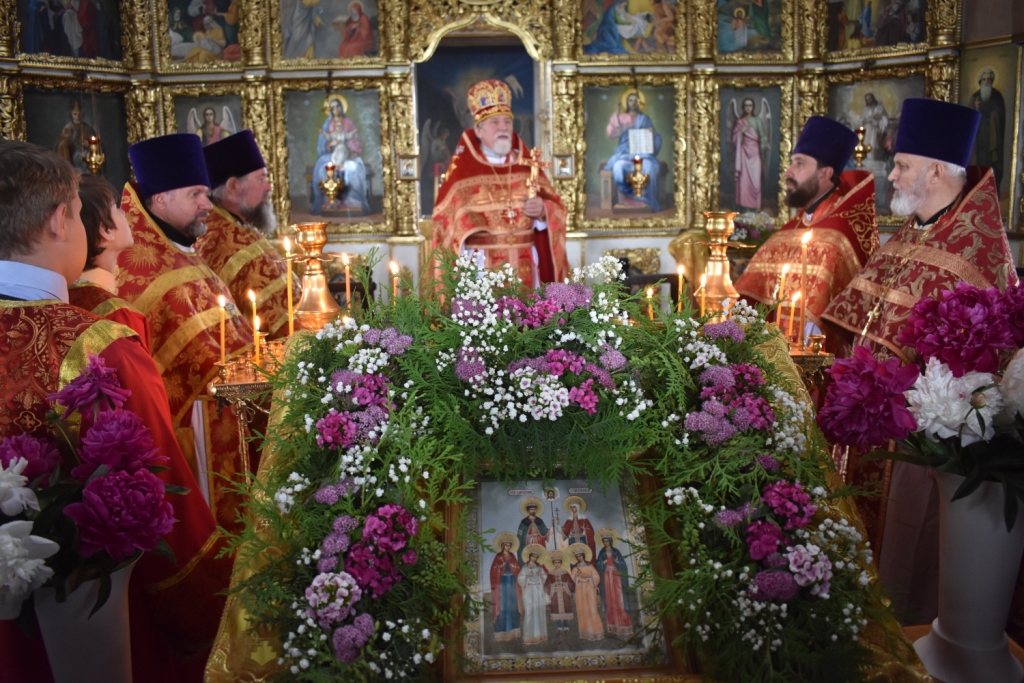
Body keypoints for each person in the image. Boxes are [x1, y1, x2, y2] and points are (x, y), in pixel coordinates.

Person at [0, 140, 231, 683]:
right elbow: (165, 509)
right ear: (60, 220)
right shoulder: (100, 351)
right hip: (80, 635)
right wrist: (215, 606)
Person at [822, 98, 1018, 625]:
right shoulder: (912, 231)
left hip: (918, 446)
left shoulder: (978, 249)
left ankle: (904, 634)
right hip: (867, 430)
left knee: (906, 558)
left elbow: (988, 364)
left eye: (902, 164)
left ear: (935, 171)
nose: (891, 174)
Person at [117, 133, 254, 530]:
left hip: (233, 408)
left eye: (205, 193)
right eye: (195, 194)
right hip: (192, 432)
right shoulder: (139, 266)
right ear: (159, 199)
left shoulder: (183, 250)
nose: (207, 204)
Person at [735, 116, 877, 344]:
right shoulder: (792, 228)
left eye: (799, 163)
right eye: (792, 162)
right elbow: (750, 296)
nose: (788, 172)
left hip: (819, 356)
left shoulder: (841, 232)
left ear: (825, 173)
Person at [431, 79, 569, 288]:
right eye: (494, 122)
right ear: (478, 130)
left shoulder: (527, 166)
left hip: (526, 263)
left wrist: (543, 210)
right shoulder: (463, 172)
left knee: (531, 309)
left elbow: (558, 209)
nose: (503, 127)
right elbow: (444, 224)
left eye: (507, 122)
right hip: (482, 267)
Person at [198, 130, 298, 341]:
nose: (269, 187)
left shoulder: (241, 227)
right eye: (261, 178)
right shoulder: (218, 238)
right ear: (234, 186)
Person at [68, 174, 151, 349]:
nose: (123, 212)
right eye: (116, 208)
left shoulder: (65, 296)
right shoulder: (118, 314)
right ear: (106, 230)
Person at [605, 88, 662, 212]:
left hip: (643, 153)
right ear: (627, 102)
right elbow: (612, 132)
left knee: (649, 167)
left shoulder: (644, 119)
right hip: (624, 153)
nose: (633, 103)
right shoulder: (621, 117)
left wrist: (652, 133)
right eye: (630, 100)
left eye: (636, 100)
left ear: (639, 103)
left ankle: (645, 199)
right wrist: (617, 114)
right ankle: (627, 197)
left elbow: (654, 137)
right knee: (618, 167)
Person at [311, 96, 369, 214]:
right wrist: (331, 145)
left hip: (348, 154)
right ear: (330, 110)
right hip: (332, 154)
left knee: (354, 169)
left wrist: (353, 151)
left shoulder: (348, 122)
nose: (336, 109)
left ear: (342, 107)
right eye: (333, 107)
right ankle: (330, 201)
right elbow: (323, 143)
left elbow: (354, 139)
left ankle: (352, 201)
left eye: (338, 106)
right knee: (323, 169)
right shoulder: (327, 124)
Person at [969, 68, 1007, 189]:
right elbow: (968, 118)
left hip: (992, 141)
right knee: (978, 169)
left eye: (989, 80)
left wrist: (988, 109)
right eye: (984, 80)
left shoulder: (997, 97)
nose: (986, 82)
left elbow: (1000, 115)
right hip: (978, 140)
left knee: (992, 170)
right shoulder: (975, 97)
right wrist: (976, 108)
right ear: (980, 82)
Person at [732, 97, 769, 211]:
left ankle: (755, 207)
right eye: (746, 105)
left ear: (753, 107)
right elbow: (734, 139)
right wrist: (741, 132)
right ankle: (744, 208)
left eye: (750, 105)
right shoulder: (740, 121)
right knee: (744, 180)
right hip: (744, 153)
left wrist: (764, 144)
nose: (748, 108)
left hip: (755, 153)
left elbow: (762, 136)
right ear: (743, 107)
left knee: (756, 181)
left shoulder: (757, 121)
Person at [595, 531, 633, 637]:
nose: (605, 543)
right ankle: (612, 626)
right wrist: (602, 563)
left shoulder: (616, 551)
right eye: (604, 541)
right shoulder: (602, 552)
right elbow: (598, 564)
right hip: (607, 577)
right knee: (609, 598)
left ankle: (624, 624)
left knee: (619, 598)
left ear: (610, 541)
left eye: (607, 541)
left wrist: (617, 562)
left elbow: (622, 564)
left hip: (616, 576)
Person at [489, 535, 522, 642]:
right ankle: (501, 631)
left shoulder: (512, 556)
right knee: (503, 604)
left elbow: (517, 567)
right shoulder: (498, 556)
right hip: (502, 582)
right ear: (502, 546)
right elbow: (493, 569)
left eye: (509, 546)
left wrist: (514, 567)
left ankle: (514, 631)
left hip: (512, 581)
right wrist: (500, 566)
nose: (508, 548)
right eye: (506, 546)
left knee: (512, 604)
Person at [569, 544, 603, 641]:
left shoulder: (590, 566)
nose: (579, 557)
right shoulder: (575, 568)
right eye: (577, 556)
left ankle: (596, 632)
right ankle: (585, 633)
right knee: (582, 609)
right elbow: (572, 578)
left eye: (580, 555)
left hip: (589, 588)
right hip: (580, 589)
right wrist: (578, 577)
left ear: (583, 556)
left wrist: (589, 577)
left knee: (592, 608)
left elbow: (596, 576)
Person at [517, 545, 549, 646]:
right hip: (529, 592)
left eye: (536, 557)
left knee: (539, 611)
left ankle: (540, 635)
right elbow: (520, 579)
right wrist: (527, 576)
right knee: (529, 612)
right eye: (533, 556)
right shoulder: (525, 568)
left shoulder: (539, 568)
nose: (534, 558)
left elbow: (545, 577)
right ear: (529, 557)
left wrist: (540, 575)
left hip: (538, 591)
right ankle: (529, 636)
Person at [54, 100, 99, 174]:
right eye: (75, 114)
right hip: (73, 154)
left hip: (86, 153)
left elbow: (96, 143)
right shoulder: (68, 127)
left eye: (79, 114)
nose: (77, 117)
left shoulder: (88, 129)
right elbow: (60, 143)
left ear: (82, 115)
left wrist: (89, 145)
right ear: (71, 115)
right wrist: (67, 140)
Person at [545, 550, 575, 648]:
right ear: (553, 563)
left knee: (565, 614)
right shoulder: (551, 573)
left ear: (561, 563)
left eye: (558, 562)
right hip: (555, 597)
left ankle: (567, 636)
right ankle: (559, 635)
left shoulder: (565, 573)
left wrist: (565, 585)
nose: (557, 564)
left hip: (564, 595)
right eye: (555, 562)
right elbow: (546, 585)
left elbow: (571, 584)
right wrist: (553, 585)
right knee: (557, 614)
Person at [515, 497, 550, 564]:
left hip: (539, 543)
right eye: (531, 509)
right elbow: (520, 537)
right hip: (528, 544)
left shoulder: (539, 521)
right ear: (528, 511)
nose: (533, 511)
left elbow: (545, 532)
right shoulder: (524, 522)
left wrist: (550, 530)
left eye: (534, 509)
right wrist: (530, 536)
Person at [859, 93, 889, 162]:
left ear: (873, 98)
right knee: (866, 144)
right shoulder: (865, 109)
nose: (869, 100)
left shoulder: (879, 107)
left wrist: (880, 117)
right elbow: (862, 119)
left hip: (876, 129)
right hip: (867, 129)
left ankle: (875, 159)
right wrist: (863, 121)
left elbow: (885, 117)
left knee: (874, 145)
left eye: (870, 98)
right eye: (867, 99)